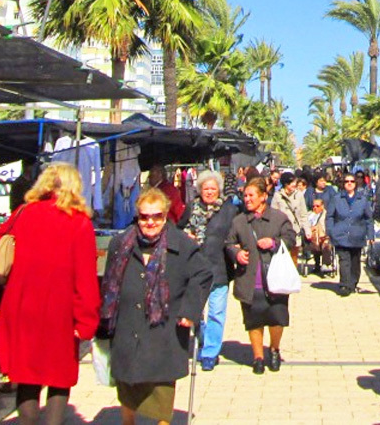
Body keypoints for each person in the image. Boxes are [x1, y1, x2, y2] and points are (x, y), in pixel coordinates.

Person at [0, 163, 101, 425]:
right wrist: (86, 321)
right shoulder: (79, 223)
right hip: (60, 315)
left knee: (26, 378)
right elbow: (86, 280)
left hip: (21, 309)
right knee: (59, 379)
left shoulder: (22, 214)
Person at [101, 188, 211, 425]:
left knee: (162, 392)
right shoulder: (120, 243)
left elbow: (203, 275)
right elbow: (108, 281)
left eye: (157, 216)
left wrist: (190, 310)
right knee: (127, 387)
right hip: (128, 327)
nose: (150, 222)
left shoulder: (182, 244)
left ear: (165, 215)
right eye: (144, 217)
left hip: (164, 330)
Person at [225, 177, 297, 374]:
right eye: (245, 195)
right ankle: (257, 357)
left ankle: (274, 349)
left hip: (275, 279)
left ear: (264, 196)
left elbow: (291, 238)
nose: (247, 199)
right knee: (253, 320)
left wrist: (274, 243)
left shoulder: (278, 218)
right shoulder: (239, 221)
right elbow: (228, 243)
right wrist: (236, 253)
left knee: (276, 318)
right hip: (250, 279)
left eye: (251, 195)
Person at [188, 171, 239, 372]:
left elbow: (237, 234)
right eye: (205, 188)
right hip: (195, 269)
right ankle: (203, 338)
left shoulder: (229, 210)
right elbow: (178, 228)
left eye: (213, 188)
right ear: (200, 190)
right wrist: (187, 236)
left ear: (219, 190)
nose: (209, 192)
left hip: (219, 269)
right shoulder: (192, 208)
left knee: (216, 313)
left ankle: (210, 352)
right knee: (195, 312)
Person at [327, 172, 373, 296]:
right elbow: (330, 216)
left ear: (355, 183)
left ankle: (353, 283)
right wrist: (330, 231)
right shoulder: (336, 198)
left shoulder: (362, 199)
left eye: (352, 181)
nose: (349, 183)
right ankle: (344, 285)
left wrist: (371, 235)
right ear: (343, 183)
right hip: (340, 235)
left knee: (355, 262)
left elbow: (368, 219)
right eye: (347, 181)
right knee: (344, 260)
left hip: (357, 235)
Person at [271, 171, 308, 256]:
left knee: (294, 257)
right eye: (291, 183)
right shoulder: (278, 195)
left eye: (295, 182)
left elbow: (304, 214)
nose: (294, 184)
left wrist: (307, 230)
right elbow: (273, 215)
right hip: (282, 231)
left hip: (296, 231)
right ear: (285, 184)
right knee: (283, 256)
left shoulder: (299, 195)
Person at [305, 197, 333, 275]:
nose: (315, 208)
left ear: (322, 206)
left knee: (326, 244)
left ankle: (325, 264)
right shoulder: (309, 215)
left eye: (317, 206)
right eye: (313, 206)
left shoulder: (327, 215)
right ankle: (317, 265)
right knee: (314, 243)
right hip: (312, 238)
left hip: (324, 237)